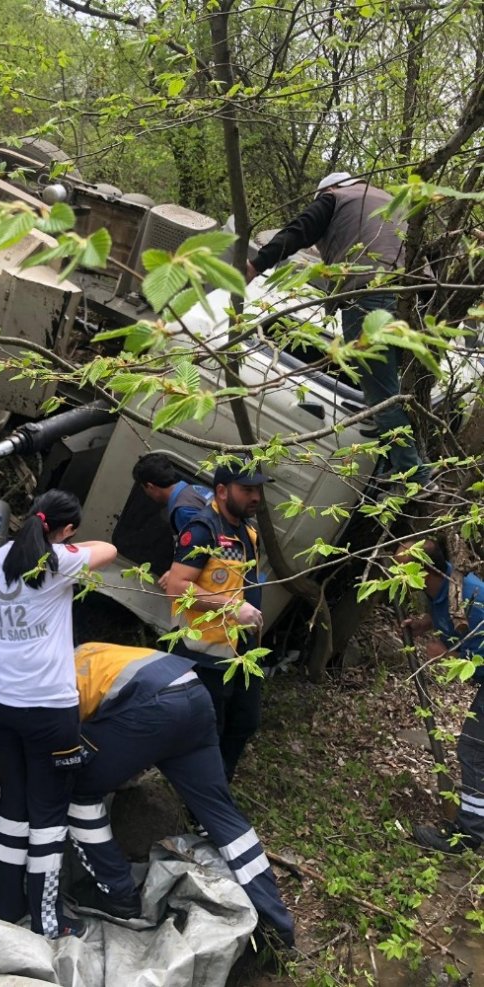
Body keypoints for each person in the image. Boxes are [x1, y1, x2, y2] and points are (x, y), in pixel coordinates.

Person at [67, 641, 295, 947]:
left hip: (151, 708)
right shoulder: (91, 652)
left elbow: (65, 748)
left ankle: (118, 895)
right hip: (192, 692)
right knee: (220, 813)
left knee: (77, 794)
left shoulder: (51, 682)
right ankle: (276, 923)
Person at [0, 490, 117, 939]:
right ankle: (47, 919)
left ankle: (7, 904)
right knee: (49, 813)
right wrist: (64, 547)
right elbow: (109, 551)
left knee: (13, 801)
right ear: (67, 529)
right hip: (49, 709)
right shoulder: (58, 563)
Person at [245, 171, 431, 487]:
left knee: (380, 392)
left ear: (330, 189)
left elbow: (297, 231)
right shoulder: (389, 200)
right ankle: (395, 468)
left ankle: (417, 479)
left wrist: (254, 265)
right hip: (418, 297)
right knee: (394, 388)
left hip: (370, 293)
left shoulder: (334, 198)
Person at [165, 457, 268, 782]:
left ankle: (219, 785)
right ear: (222, 491)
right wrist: (231, 608)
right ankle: (202, 802)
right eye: (247, 490)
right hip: (207, 653)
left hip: (243, 650)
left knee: (245, 721)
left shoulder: (246, 530)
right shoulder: (202, 530)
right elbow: (177, 588)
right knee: (209, 730)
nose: (256, 497)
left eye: (258, 490)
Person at [393, 539, 484, 854]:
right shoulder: (442, 588)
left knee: (472, 749)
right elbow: (446, 613)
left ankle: (467, 835)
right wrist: (424, 624)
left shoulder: (473, 596)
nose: (395, 575)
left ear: (423, 572)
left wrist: (448, 654)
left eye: (401, 570)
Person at [132, 452, 213, 589]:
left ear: (150, 487)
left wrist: (176, 572)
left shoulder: (182, 510)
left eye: (144, 488)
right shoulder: (195, 490)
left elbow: (206, 548)